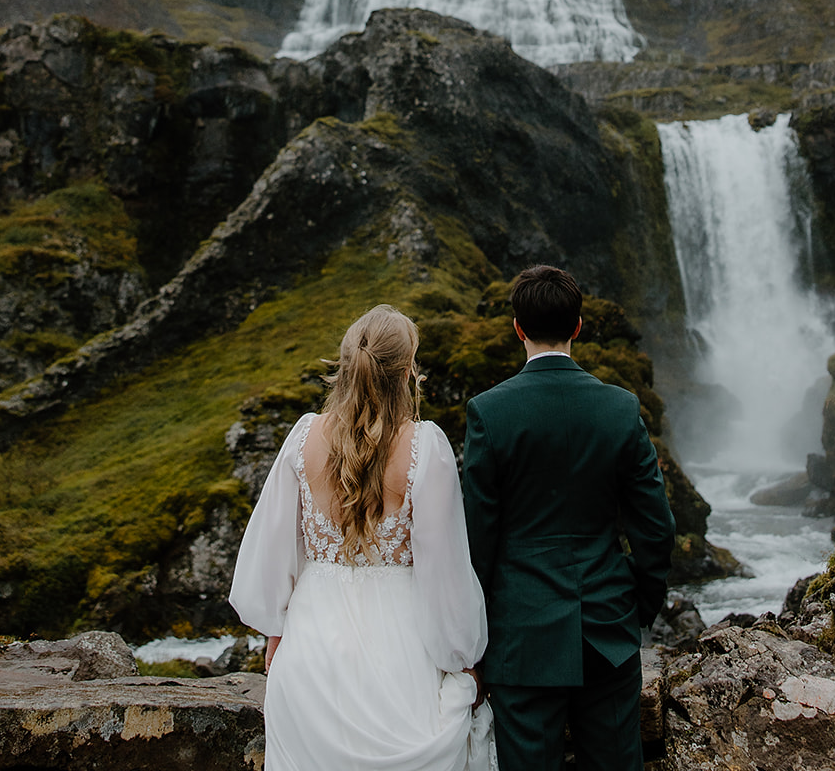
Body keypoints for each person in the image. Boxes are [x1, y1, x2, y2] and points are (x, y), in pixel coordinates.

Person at [229, 304, 494, 771]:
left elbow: (271, 549)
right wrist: (463, 656)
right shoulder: (426, 447)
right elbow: (444, 568)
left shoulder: (303, 437)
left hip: (311, 652)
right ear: (408, 371)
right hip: (401, 651)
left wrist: (276, 630)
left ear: (346, 366)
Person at [463, 266, 675, 771]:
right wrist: (637, 607)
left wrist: (479, 634)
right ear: (579, 325)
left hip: (521, 636)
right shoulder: (620, 409)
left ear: (517, 327)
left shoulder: (488, 413)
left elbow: (477, 538)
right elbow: (656, 526)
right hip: (607, 630)